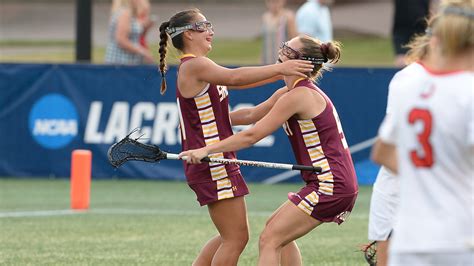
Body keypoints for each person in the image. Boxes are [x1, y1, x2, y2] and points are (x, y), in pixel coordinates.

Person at [179, 34, 359, 265]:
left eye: (288, 49)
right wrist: (198, 122)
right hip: (330, 182)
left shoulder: (299, 96)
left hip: (331, 184)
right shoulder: (289, 93)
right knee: (278, 235)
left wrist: (207, 150)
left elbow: (252, 135)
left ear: (300, 62)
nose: (281, 50)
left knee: (270, 239)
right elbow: (250, 115)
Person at [158, 9, 313, 266]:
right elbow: (236, 78)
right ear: (188, 34)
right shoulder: (195, 65)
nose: (211, 30)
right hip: (212, 162)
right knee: (236, 239)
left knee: (229, 237)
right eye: (204, 25)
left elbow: (244, 114)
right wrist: (280, 68)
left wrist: (280, 86)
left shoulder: (199, 67)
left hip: (218, 160)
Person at [371, 0, 473, 265]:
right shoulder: (468, 90)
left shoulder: (409, 84)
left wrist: (426, 180)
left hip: (410, 236)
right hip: (459, 237)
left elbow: (381, 152)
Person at [365, 31, 432, 266]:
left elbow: (383, 150)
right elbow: (386, 149)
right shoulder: (411, 77)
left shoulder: (406, 77)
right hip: (402, 187)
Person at [105, 0, 154, 64]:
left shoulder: (129, 13)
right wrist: (142, 52)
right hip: (120, 62)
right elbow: (121, 39)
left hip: (128, 62)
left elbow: (134, 36)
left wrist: (145, 27)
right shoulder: (125, 13)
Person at [391, 0, 433, 67]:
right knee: (401, 62)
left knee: (423, 63)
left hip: (421, 30)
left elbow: (430, 8)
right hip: (402, 30)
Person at [261, 0, 298, 65]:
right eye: (271, 2)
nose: (274, 4)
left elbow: (294, 40)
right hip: (268, 59)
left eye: (277, 1)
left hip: (282, 60)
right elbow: (265, 42)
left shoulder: (288, 17)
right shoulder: (265, 17)